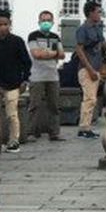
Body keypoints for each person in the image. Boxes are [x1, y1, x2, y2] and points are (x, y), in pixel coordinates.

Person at [0, 10, 32, 153]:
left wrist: (24, 80)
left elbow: (26, 62)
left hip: (13, 84)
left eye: (5, 24)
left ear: (10, 25)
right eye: (0, 24)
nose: (2, 27)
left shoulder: (17, 41)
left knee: (12, 114)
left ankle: (14, 140)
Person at [26, 10, 64, 142]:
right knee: (34, 105)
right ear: (39, 22)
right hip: (37, 76)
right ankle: (31, 132)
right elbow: (36, 55)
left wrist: (47, 54)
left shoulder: (55, 37)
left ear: (53, 22)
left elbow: (61, 54)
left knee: (53, 105)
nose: (46, 23)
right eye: (43, 20)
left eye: (48, 20)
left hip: (53, 76)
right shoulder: (33, 36)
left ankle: (54, 133)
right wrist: (52, 53)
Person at [75, 1, 105, 140]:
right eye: (98, 11)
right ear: (91, 13)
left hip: (96, 66)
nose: (99, 14)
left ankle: (87, 126)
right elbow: (79, 50)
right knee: (89, 98)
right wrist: (90, 69)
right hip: (87, 68)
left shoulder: (97, 28)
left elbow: (102, 44)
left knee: (92, 99)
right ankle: (84, 127)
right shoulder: (83, 29)